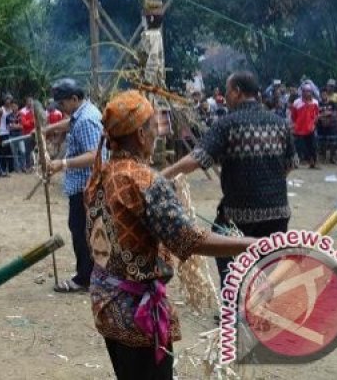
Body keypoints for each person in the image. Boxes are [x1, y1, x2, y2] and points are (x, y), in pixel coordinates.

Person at [85, 90, 255, 380]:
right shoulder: (144, 180)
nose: (159, 132)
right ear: (140, 133)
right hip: (135, 315)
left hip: (106, 302)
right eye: (154, 126)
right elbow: (189, 240)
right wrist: (250, 244)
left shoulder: (102, 173)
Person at [162, 71, 295, 289]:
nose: (225, 94)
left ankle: (232, 309)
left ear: (237, 91)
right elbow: (289, 165)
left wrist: (162, 175)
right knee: (269, 265)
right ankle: (263, 310)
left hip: (238, 215)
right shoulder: (279, 123)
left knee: (225, 253)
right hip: (279, 212)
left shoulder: (228, 124)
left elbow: (196, 159)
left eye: (227, 89)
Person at [45, 78, 102, 293]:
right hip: (81, 187)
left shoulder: (87, 119)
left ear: (74, 99)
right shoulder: (81, 114)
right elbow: (69, 124)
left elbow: (94, 155)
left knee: (82, 233)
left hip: (86, 188)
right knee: (83, 230)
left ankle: (84, 279)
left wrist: (63, 163)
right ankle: (91, 275)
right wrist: (48, 129)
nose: (61, 108)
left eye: (62, 104)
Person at [291, 84, 321, 168]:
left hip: (310, 128)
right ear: (302, 92)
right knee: (301, 147)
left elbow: (317, 114)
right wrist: (295, 125)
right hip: (299, 129)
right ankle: (298, 162)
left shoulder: (315, 102)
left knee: (313, 146)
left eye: (309, 91)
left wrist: (314, 123)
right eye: (305, 91)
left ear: (311, 92)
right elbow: (293, 116)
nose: (307, 93)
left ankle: (313, 163)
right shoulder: (296, 102)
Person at [317, 88, 337, 163]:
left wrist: (324, 114)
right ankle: (323, 157)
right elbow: (315, 114)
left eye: (325, 94)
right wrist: (324, 115)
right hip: (321, 126)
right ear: (320, 95)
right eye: (322, 94)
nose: (324, 95)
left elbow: (335, 113)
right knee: (322, 143)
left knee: (333, 143)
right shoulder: (318, 103)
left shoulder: (332, 103)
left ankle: (332, 158)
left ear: (327, 95)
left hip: (331, 125)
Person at [0, 94, 13, 173]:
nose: (8, 101)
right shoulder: (1, 110)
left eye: (9, 99)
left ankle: (11, 169)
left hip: (10, 132)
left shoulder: (12, 109)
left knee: (10, 151)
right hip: (2, 133)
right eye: (7, 99)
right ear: (4, 100)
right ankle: (3, 168)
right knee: (3, 151)